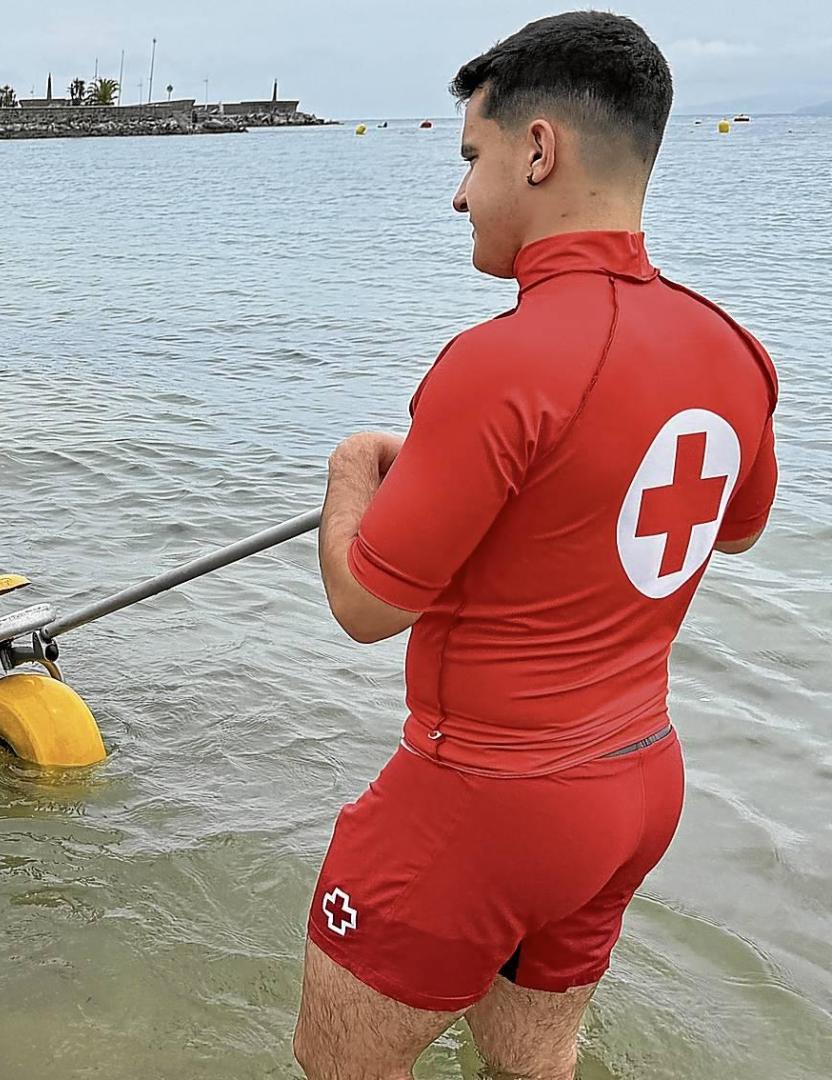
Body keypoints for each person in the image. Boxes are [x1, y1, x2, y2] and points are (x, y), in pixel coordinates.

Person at [298, 13, 779, 1080]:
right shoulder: (734, 348)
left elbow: (367, 607)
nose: (459, 193)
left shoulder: (499, 362)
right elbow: (734, 529)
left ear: (539, 150)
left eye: (472, 156)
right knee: (535, 1065)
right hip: (637, 785)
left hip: (485, 802)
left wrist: (351, 473)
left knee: (340, 1068)